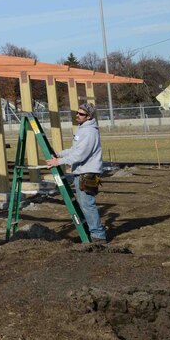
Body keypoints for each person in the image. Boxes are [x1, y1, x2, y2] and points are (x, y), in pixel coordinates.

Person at [45, 101, 107, 243]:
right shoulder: (83, 129)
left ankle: (98, 235)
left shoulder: (89, 132)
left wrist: (58, 162)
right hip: (82, 172)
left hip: (88, 173)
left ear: (89, 116)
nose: (77, 115)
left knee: (87, 204)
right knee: (84, 203)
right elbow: (75, 150)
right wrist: (59, 154)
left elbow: (80, 155)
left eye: (81, 114)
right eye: (77, 113)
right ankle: (94, 231)